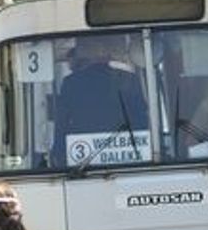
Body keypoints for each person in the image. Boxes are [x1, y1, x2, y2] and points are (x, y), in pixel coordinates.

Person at [53, 34, 149, 166]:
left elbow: (61, 126)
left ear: (83, 53)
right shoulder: (129, 80)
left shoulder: (71, 83)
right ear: (111, 53)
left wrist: (58, 157)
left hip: (82, 165)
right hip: (129, 162)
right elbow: (142, 123)